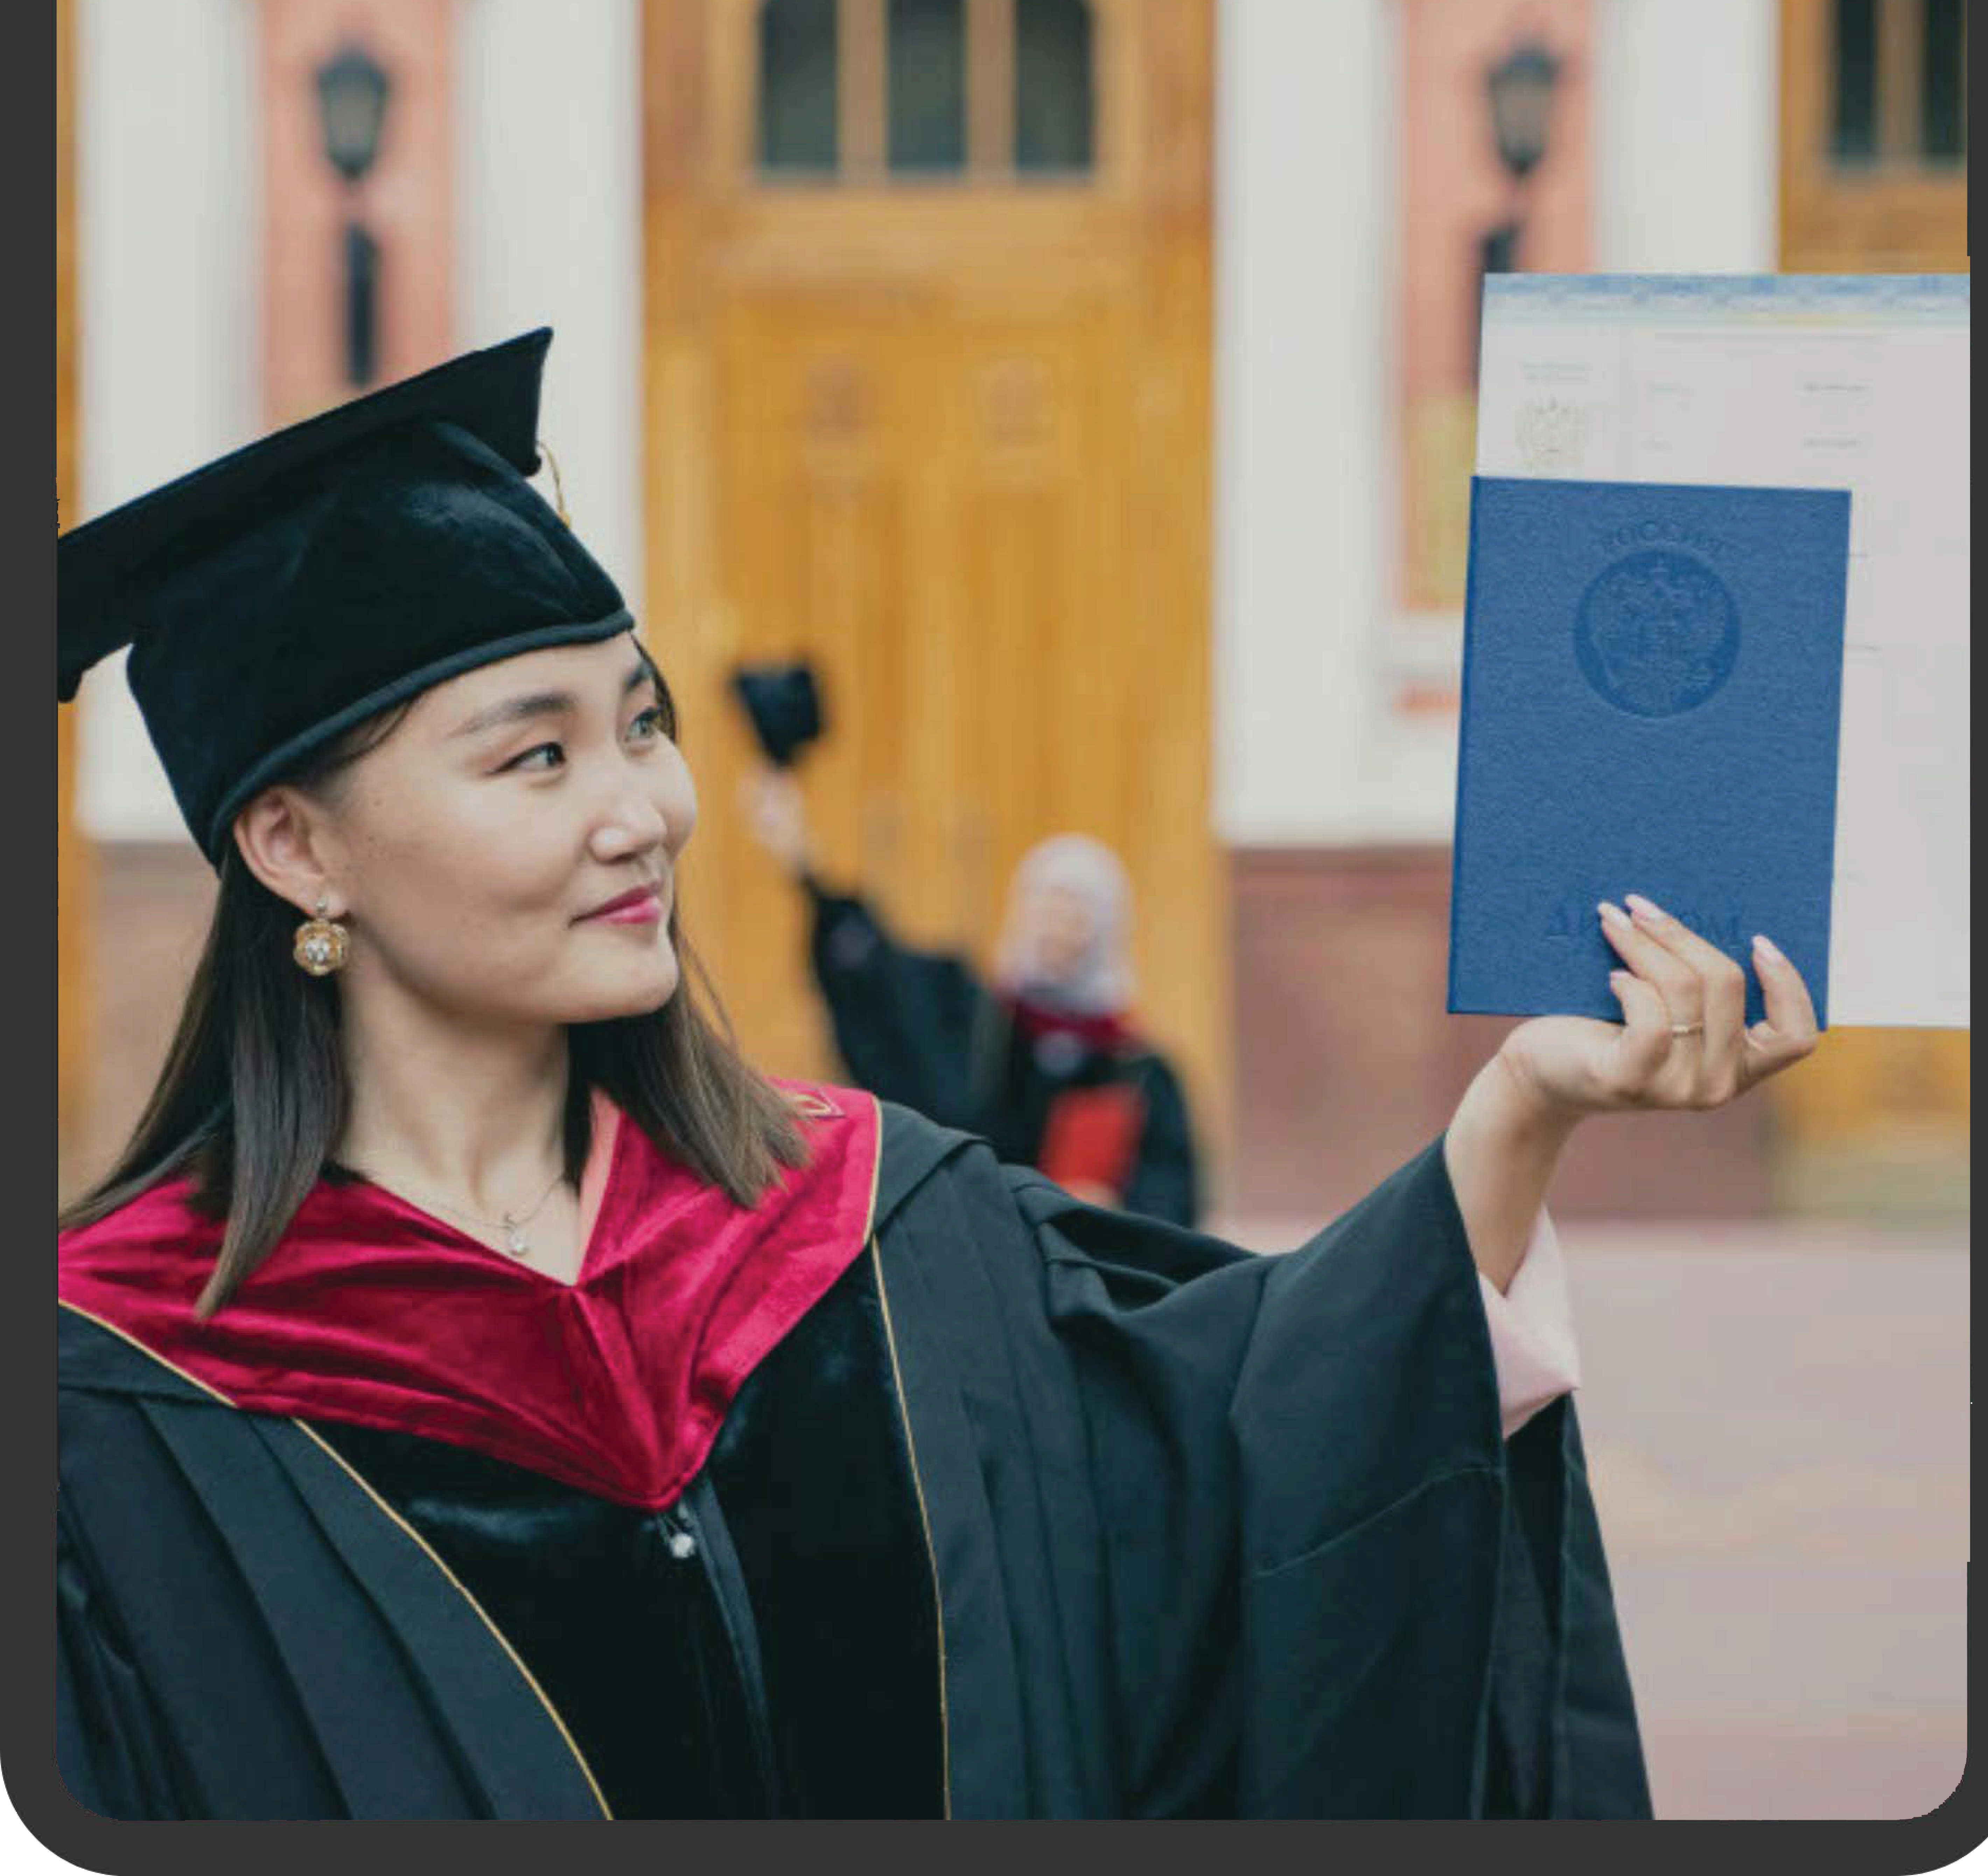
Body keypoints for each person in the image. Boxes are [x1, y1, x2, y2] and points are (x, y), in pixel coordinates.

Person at [55, 330, 1821, 1821]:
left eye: (642, 719)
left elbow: (1255, 1456)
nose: (641, 807)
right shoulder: (106, 1398)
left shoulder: (873, 1226)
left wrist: (1515, 1110)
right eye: (536, 754)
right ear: (296, 845)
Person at [742, 771, 1200, 1225]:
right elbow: (878, 973)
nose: (1057, 928)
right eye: (1047, 905)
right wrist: (803, 863)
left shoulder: (1134, 1070)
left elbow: (1172, 1197)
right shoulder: (976, 1024)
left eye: (1077, 913)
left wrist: (1115, 1211)